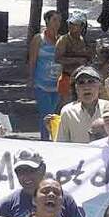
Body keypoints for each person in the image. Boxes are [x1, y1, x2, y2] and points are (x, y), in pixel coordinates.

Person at [0, 150, 85, 217]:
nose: (26, 176)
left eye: (31, 170)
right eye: (20, 171)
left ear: (43, 169)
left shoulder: (65, 199)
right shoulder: (7, 204)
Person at [28, 9, 62, 139]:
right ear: (47, 20)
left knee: (53, 114)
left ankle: (52, 138)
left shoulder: (61, 39)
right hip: (41, 83)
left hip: (57, 84)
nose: (57, 23)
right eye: (54, 20)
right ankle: (45, 139)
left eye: (59, 20)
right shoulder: (39, 39)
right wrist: (31, 78)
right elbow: (32, 60)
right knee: (46, 113)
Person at [57, 66, 109, 144]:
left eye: (91, 81)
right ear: (76, 89)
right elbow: (61, 143)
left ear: (100, 87)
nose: (86, 87)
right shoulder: (68, 112)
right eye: (81, 83)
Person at [55, 12, 94, 105]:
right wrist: (77, 60)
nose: (71, 26)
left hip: (80, 79)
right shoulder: (63, 40)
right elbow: (58, 59)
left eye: (75, 24)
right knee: (65, 107)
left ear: (82, 26)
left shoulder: (83, 40)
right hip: (67, 77)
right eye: (70, 23)